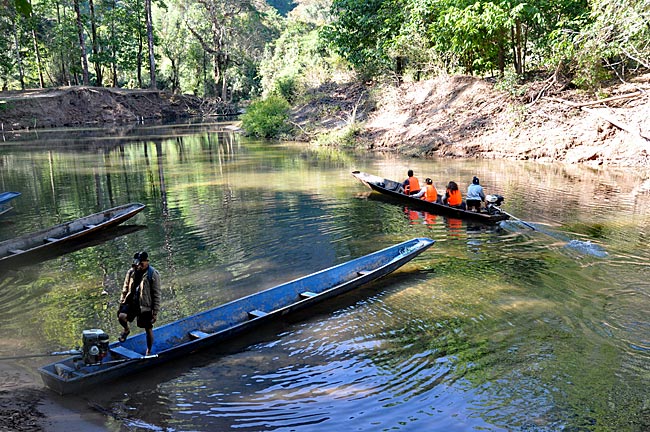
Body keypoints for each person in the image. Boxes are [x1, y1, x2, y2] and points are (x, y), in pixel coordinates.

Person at [117, 251, 161, 356]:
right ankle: (126, 330)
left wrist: (155, 312)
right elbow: (125, 287)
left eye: (142, 263)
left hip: (145, 305)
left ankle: (149, 351)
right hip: (131, 302)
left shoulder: (153, 274)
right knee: (122, 316)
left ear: (147, 262)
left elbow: (156, 294)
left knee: (148, 329)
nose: (140, 266)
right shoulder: (131, 272)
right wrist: (122, 302)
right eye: (138, 263)